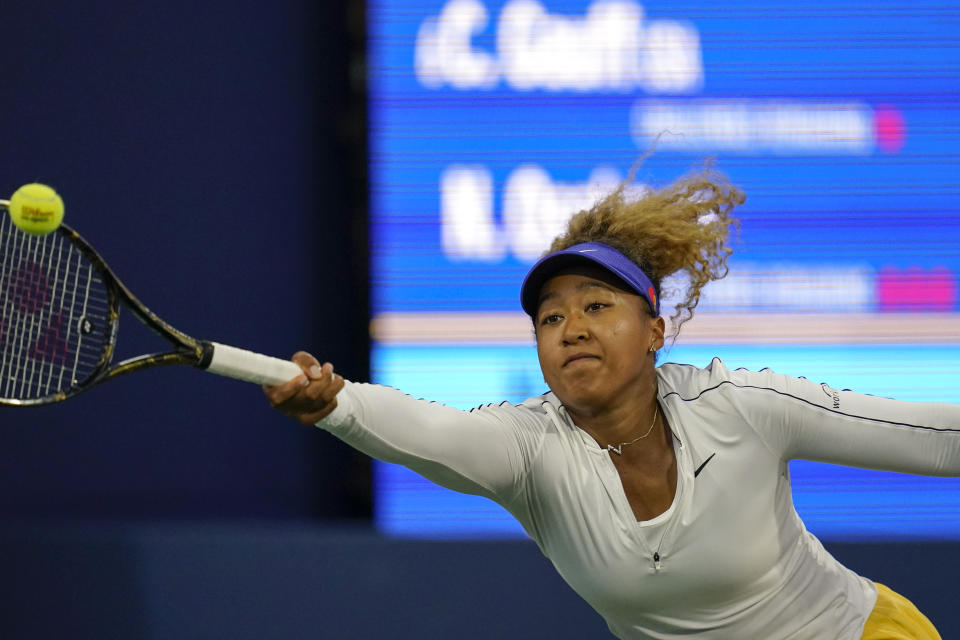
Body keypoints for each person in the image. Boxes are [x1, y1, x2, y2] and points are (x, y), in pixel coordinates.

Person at [264, 165, 956, 639]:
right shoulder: (530, 452)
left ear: (655, 332)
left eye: (597, 306)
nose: (574, 329)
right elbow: (427, 430)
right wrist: (335, 404)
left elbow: (930, 438)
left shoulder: (741, 406)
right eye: (552, 319)